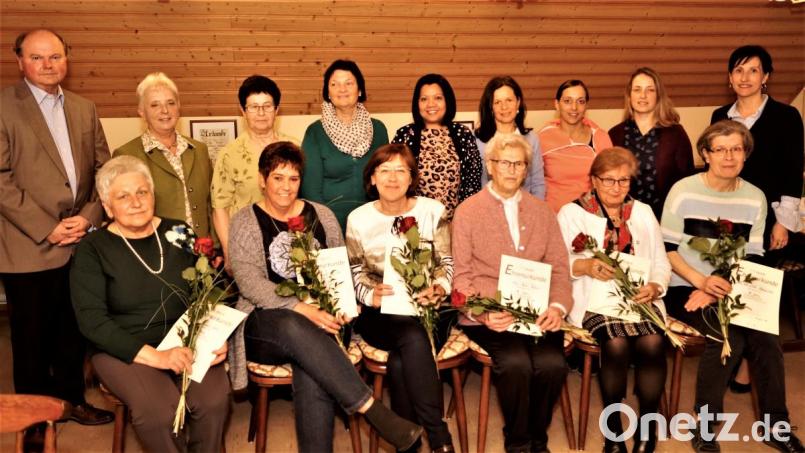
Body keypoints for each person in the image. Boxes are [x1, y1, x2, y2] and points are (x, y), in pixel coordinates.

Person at [228, 141, 423, 453]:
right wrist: (301, 307)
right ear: (262, 179)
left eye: (293, 179)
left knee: (312, 364)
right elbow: (250, 284)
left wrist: (344, 302)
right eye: (278, 178)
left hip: (325, 321)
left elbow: (340, 269)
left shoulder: (322, 215)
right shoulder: (244, 220)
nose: (286, 187)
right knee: (294, 326)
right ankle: (374, 411)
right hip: (267, 325)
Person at [70, 156, 231, 452]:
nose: (136, 201)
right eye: (123, 196)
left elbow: (209, 289)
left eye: (142, 192)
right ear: (107, 206)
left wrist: (214, 335)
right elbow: (92, 322)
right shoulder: (92, 249)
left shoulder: (178, 232)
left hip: (185, 338)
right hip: (124, 347)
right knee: (158, 412)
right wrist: (157, 358)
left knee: (213, 401)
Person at [661, 121, 804, 453]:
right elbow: (666, 249)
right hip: (685, 284)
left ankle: (776, 427)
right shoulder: (683, 190)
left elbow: (752, 254)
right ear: (706, 154)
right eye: (720, 149)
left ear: (746, 154)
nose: (729, 156)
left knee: (768, 339)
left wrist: (720, 285)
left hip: (732, 284)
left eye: (737, 149)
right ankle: (705, 427)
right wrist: (700, 282)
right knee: (725, 338)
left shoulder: (755, 197)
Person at [0, 29, 114, 437]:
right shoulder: (3, 106)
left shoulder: (85, 107)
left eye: (55, 57)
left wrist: (88, 216)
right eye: (37, 58)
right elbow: (1, 178)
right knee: (31, 339)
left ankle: (72, 403)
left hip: (80, 241)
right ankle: (32, 420)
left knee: (73, 331)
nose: (48, 65)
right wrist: (47, 228)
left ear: (67, 58)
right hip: (27, 245)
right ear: (20, 62)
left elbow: (105, 170)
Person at [452, 135, 573, 453]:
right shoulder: (467, 211)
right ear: (490, 166)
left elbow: (560, 267)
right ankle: (518, 442)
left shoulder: (542, 211)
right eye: (504, 162)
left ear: (525, 170)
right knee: (517, 364)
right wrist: (483, 313)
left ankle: (538, 436)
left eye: (518, 163)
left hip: (538, 310)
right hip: (490, 313)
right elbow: (461, 279)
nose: (511, 169)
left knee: (552, 365)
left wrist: (558, 307)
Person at [557, 147, 671, 453]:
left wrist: (656, 286)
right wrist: (585, 265)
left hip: (640, 298)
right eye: (608, 180)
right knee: (617, 345)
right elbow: (557, 263)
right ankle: (614, 433)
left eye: (623, 181)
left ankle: (647, 430)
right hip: (595, 301)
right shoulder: (572, 212)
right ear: (593, 180)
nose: (616, 187)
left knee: (652, 343)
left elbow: (661, 262)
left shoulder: (643, 212)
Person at [346, 143, 456, 453]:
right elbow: (354, 270)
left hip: (429, 308)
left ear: (412, 179)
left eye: (401, 171)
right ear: (372, 179)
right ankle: (438, 434)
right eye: (385, 171)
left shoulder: (432, 211)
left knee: (402, 359)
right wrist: (370, 294)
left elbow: (446, 262)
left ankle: (408, 442)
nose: (392, 179)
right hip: (381, 313)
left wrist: (439, 287)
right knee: (411, 336)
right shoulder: (358, 219)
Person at [711, 45, 805, 396]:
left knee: (756, 293)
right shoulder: (721, 115)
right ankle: (730, 356)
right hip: (728, 216)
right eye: (738, 70)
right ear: (730, 77)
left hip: (768, 220)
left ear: (766, 77)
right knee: (729, 285)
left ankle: (749, 369)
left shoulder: (785, 116)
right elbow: (715, 166)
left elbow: (791, 173)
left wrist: (784, 222)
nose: (745, 77)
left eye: (753, 70)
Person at [114, 72, 215, 238]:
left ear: (179, 106)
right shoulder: (127, 155)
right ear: (141, 111)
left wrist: (215, 247)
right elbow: (124, 213)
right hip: (157, 254)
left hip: (202, 253)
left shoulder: (199, 150)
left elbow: (210, 204)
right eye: (155, 105)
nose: (165, 111)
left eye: (171, 103)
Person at [211, 75, 297, 269]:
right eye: (254, 107)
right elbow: (220, 207)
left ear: (276, 110)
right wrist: (228, 251)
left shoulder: (293, 147)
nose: (261, 113)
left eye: (267, 106)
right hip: (245, 246)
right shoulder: (229, 154)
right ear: (243, 111)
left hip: (288, 245)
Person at [300, 59, 389, 229]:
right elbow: (311, 190)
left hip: (373, 219)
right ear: (327, 92)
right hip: (329, 221)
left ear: (360, 90)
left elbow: (386, 179)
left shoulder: (378, 129)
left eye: (348, 83)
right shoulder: (315, 132)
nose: (342, 89)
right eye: (334, 84)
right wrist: (327, 225)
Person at [391, 73, 482, 220]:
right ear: (417, 103)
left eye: (438, 98)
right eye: (424, 99)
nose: (431, 104)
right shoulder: (405, 135)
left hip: (457, 222)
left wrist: (462, 221)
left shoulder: (462, 134)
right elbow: (395, 180)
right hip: (414, 224)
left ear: (447, 101)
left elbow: (473, 182)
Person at [609, 67, 695, 219]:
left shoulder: (675, 134)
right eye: (637, 89)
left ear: (658, 96)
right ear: (629, 96)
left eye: (650, 90)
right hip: (623, 220)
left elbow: (687, 182)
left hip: (665, 219)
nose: (643, 95)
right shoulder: (615, 134)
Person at [538, 79, 613, 212]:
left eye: (580, 101)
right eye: (567, 101)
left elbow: (610, 183)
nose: (574, 107)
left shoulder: (600, 137)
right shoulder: (542, 138)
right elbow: (533, 183)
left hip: (590, 218)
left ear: (586, 106)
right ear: (557, 104)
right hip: (553, 217)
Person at [474, 75, 545, 199]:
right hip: (488, 209)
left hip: (525, 209)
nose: (504, 107)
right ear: (491, 107)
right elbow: (476, 185)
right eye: (497, 102)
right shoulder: (478, 141)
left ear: (518, 102)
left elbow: (538, 184)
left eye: (509, 100)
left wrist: (535, 212)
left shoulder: (532, 139)